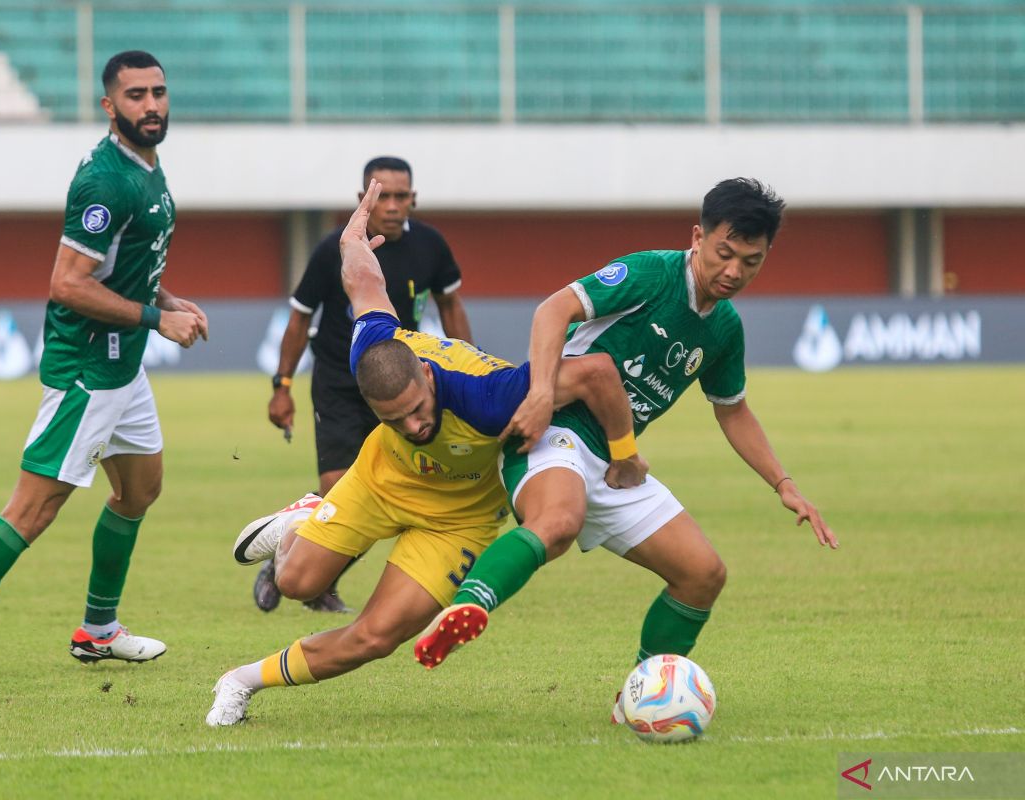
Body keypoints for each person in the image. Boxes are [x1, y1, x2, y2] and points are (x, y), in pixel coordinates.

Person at [205, 181, 636, 726]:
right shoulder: (374, 345)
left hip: (456, 521)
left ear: (427, 376)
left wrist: (622, 454)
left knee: (376, 636)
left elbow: (597, 374)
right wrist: (351, 239)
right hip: (380, 480)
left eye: (417, 411)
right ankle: (307, 515)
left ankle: (239, 682)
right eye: (394, 420)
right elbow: (363, 281)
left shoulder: (490, 396)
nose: (414, 425)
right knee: (295, 583)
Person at [415, 178, 838, 671]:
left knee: (703, 575)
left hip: (619, 461)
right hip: (556, 430)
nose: (733, 271)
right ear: (698, 237)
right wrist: (541, 394)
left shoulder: (724, 328)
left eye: (751, 261)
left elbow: (733, 409)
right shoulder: (651, 274)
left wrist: (783, 483)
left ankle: (645, 693)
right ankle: (469, 606)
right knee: (558, 524)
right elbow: (554, 309)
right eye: (725, 253)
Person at [0, 51, 208, 681]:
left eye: (159, 92)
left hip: (124, 366)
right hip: (89, 368)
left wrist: (165, 297)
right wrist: (157, 320)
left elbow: (124, 260)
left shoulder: (147, 164)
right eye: (135, 96)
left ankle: (98, 631)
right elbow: (67, 284)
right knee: (34, 508)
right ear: (109, 106)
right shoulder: (105, 180)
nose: (151, 105)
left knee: (140, 489)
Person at [259, 156, 473, 613]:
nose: (393, 206)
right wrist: (281, 384)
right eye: (384, 196)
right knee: (339, 486)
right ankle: (296, 558)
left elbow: (450, 306)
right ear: (363, 200)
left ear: (414, 199)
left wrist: (466, 367)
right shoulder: (334, 250)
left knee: (390, 488)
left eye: (402, 196)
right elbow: (300, 318)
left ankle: (310, 570)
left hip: (400, 385)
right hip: (338, 380)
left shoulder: (432, 247)